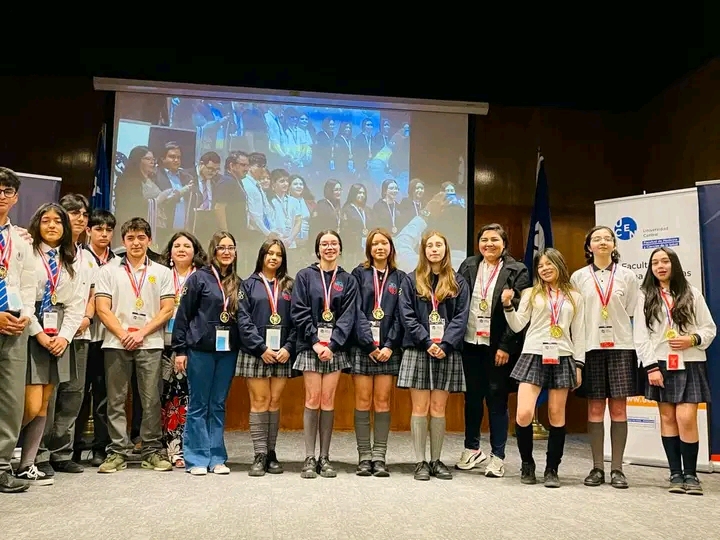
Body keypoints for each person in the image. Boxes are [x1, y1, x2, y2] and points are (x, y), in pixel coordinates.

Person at [94, 217, 175, 473]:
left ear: (149, 240)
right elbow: (102, 308)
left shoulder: (162, 272)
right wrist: (123, 334)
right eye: (131, 238)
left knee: (151, 399)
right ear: (123, 241)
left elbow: (167, 309)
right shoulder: (108, 270)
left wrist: (140, 333)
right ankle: (117, 450)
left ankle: (151, 449)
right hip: (115, 343)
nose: (136, 242)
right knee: (116, 400)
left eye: (141, 237)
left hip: (149, 343)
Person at [634, 247, 716, 495]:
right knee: (668, 418)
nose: (660, 266)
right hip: (659, 364)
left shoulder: (692, 293)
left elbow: (709, 328)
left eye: (665, 261)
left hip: (690, 362)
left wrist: (692, 339)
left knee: (686, 418)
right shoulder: (645, 296)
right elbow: (640, 336)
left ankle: (691, 475)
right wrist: (650, 367)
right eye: (655, 262)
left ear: (674, 264)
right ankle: (675, 474)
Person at [503, 247, 585, 488]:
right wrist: (508, 305)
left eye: (549, 264)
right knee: (524, 414)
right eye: (540, 266)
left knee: (556, 416)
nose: (545, 269)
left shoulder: (575, 297)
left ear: (559, 265)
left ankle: (552, 468)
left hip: (563, 355)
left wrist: (578, 365)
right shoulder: (530, 293)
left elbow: (579, 333)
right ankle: (527, 464)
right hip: (533, 353)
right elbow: (518, 325)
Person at [15, 203, 84, 486]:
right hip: (31, 331)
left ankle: (26, 464)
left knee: (44, 403)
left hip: (58, 336)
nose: (52, 225)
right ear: (37, 224)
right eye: (46, 220)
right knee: (28, 404)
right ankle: (5, 450)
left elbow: (76, 302)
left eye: (58, 221)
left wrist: (65, 337)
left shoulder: (71, 258)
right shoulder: (26, 250)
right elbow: (19, 294)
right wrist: (39, 333)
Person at [456, 223, 530, 477]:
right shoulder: (467, 266)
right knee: (472, 399)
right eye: (484, 239)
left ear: (504, 243)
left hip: (498, 347)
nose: (489, 244)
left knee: (497, 400)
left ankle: (498, 455)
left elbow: (521, 311)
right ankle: (472, 448)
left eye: (494, 240)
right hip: (469, 343)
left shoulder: (517, 270)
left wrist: (505, 346)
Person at [571, 226, 639, 489]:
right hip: (591, 347)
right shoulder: (578, 278)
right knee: (596, 408)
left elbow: (631, 311)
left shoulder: (628, 276)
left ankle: (618, 469)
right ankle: (597, 467)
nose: (602, 242)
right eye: (596, 239)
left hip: (621, 347)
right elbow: (576, 318)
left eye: (607, 238)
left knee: (619, 408)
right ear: (589, 247)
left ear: (614, 245)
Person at [398, 230, 469, 481]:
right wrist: (427, 341)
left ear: (446, 250)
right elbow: (406, 316)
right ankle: (420, 462)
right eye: (430, 246)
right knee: (420, 406)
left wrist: (446, 343)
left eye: (439, 245)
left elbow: (461, 317)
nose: (434, 249)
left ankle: (436, 460)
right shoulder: (410, 280)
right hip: (419, 349)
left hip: (447, 352)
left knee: (439, 407)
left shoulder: (458, 281)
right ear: (423, 250)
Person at [172, 231, 241, 476]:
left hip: (227, 353)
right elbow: (183, 316)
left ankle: (217, 457)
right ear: (213, 250)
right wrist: (180, 350)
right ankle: (197, 458)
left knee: (218, 404)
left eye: (230, 248)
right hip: (200, 350)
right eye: (221, 247)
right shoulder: (198, 278)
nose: (226, 252)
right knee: (199, 404)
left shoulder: (236, 282)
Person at [291, 230, 358, 478]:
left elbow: (349, 316)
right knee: (312, 399)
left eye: (334, 244)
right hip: (311, 347)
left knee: (328, 401)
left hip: (335, 349)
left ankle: (325, 458)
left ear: (340, 249)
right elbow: (298, 311)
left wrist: (332, 344)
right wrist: (315, 342)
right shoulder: (305, 276)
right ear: (317, 249)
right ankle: (309, 457)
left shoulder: (348, 280)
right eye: (324, 244)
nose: (329, 247)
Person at [35, 194, 94, 477]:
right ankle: (40, 452)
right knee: (48, 392)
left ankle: (62, 451)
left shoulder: (86, 254)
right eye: (73, 212)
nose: (80, 218)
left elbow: (91, 292)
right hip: (46, 326)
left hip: (78, 331)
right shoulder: (38, 249)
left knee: (73, 393)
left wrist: (87, 317)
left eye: (84, 213)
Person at [236, 239, 296, 476]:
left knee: (274, 401)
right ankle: (259, 454)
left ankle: (271, 453)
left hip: (282, 353)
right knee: (260, 401)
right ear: (261, 256)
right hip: (256, 352)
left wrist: (289, 347)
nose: (273, 258)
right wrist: (261, 348)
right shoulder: (248, 285)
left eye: (278, 254)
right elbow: (243, 320)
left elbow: (297, 320)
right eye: (269, 253)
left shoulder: (290, 286)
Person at [350, 228, 406, 477]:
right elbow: (355, 312)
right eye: (375, 244)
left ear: (391, 247)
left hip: (388, 350)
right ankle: (364, 456)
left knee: (382, 401)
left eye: (384, 243)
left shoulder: (400, 277)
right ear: (369, 249)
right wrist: (369, 345)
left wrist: (389, 346)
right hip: (364, 348)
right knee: (362, 401)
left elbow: (401, 315)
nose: (379, 247)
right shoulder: (358, 274)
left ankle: (380, 456)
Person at [0, 168, 35, 493]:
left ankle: (1, 465)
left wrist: (25, 315)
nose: (2, 196)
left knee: (11, 400)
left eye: (7, 191)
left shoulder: (19, 240)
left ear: (15, 197)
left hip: (15, 326)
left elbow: (27, 285)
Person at [74, 209, 117, 467]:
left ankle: (101, 446)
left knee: (104, 394)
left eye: (108, 230)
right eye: (98, 229)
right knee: (77, 394)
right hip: (79, 334)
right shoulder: (77, 256)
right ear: (88, 230)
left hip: (107, 337)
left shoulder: (118, 261)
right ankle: (75, 445)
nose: (103, 234)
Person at [160, 231, 206, 468]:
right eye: (176, 245)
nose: (181, 249)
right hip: (160, 342)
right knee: (164, 396)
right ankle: (164, 447)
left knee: (185, 397)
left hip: (190, 345)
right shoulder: (160, 275)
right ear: (170, 252)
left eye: (187, 246)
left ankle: (184, 447)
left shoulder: (202, 277)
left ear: (195, 251)